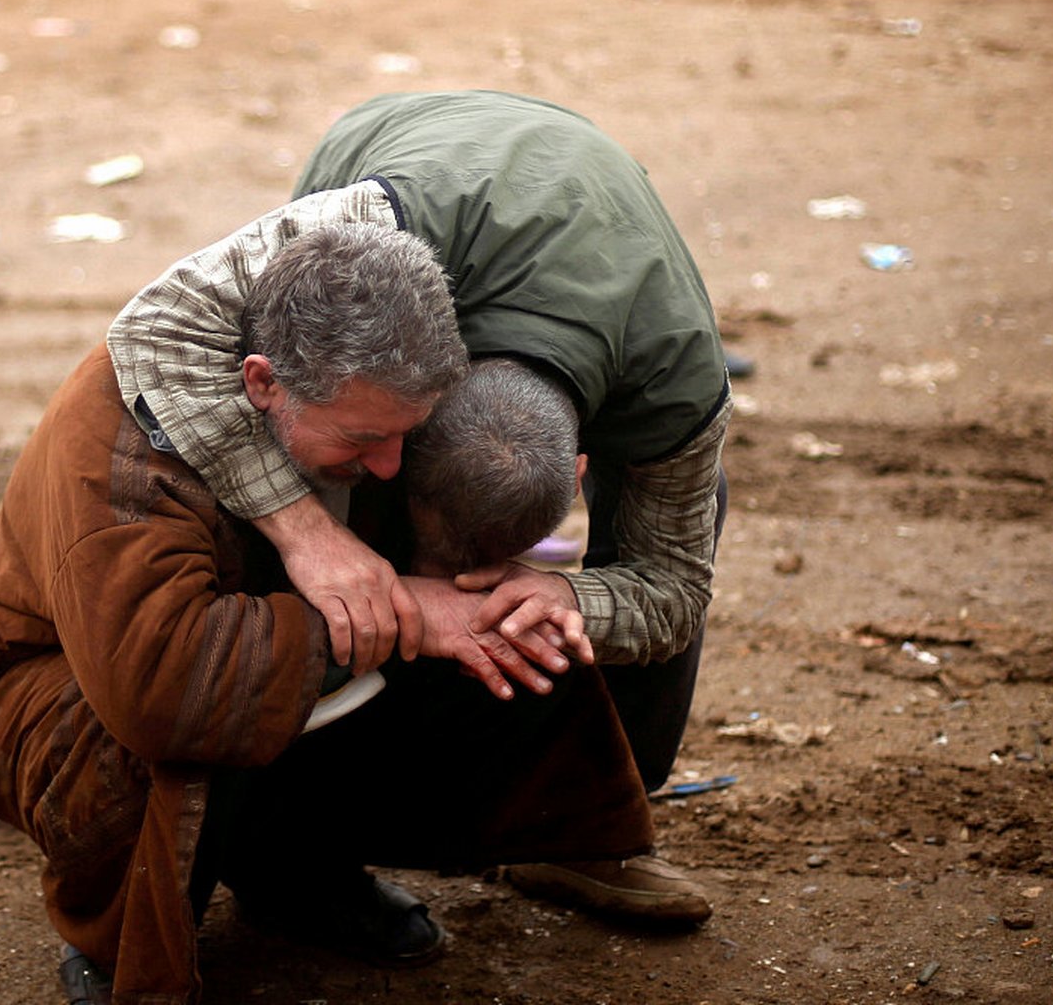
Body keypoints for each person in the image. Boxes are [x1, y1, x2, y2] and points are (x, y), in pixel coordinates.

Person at [0, 224, 655, 1005]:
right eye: (364, 439)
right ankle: (117, 926)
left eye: (405, 434)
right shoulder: (119, 446)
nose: (390, 467)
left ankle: (295, 869)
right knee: (174, 714)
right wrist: (407, 610)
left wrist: (482, 594)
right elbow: (156, 683)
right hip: (40, 685)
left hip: (232, 631)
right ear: (262, 383)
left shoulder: (364, 391)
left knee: (493, 624)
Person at [107, 89, 733, 921]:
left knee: (654, 556)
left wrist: (569, 596)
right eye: (385, 450)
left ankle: (586, 833)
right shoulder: (374, 231)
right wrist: (304, 534)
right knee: (302, 455)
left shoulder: (676, 397)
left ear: (582, 460)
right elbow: (155, 327)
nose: (450, 585)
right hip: (434, 172)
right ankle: (292, 844)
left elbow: (676, 590)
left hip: (603, 259)